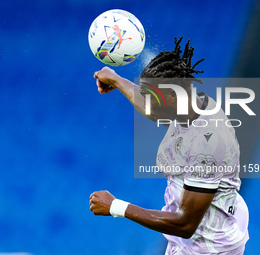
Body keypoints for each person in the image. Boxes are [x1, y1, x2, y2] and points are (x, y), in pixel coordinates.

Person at [89, 37, 249, 255]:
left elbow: (185, 224)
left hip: (205, 247)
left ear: (172, 97)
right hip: (207, 227)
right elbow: (153, 107)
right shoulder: (190, 103)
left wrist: (116, 206)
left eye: (152, 97)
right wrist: (116, 80)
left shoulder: (208, 143)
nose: (148, 103)